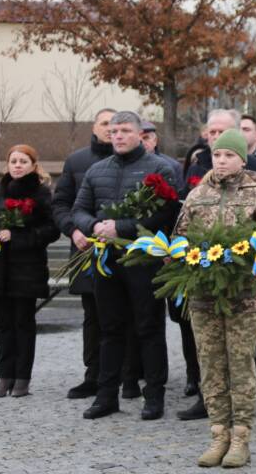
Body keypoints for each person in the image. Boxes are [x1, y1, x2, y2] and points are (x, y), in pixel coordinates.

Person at [174, 129, 256, 468]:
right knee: (211, 364)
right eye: (217, 155)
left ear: (242, 159)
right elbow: (179, 238)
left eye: (228, 155)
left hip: (244, 296)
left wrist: (243, 258)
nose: (221, 160)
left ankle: (241, 438)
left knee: (239, 363)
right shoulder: (197, 194)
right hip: (204, 295)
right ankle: (218, 434)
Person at [73, 111, 181, 421]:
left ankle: (154, 396)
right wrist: (94, 226)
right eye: (113, 130)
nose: (117, 135)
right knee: (110, 329)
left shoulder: (159, 169)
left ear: (139, 134)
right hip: (107, 262)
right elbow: (79, 209)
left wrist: (121, 227)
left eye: (124, 130)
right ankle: (107, 396)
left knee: (149, 328)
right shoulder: (97, 170)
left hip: (144, 261)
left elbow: (166, 214)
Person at [53, 108, 135, 400]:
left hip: (126, 253)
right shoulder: (77, 161)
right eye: (105, 124)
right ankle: (93, 375)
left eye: (117, 126)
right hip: (88, 251)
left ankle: (128, 376)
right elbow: (62, 204)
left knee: (127, 315)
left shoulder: (133, 160)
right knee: (93, 317)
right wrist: (74, 230)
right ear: (96, 127)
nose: (111, 130)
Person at [0, 145, 60, 399]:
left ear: (33, 165)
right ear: (8, 164)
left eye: (23, 161)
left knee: (23, 323)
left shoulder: (42, 193)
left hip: (27, 268)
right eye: (13, 161)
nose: (17, 165)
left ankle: (22, 379)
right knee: (4, 325)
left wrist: (18, 236)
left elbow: (52, 229)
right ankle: (4, 378)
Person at [142, 119, 204, 421]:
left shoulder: (168, 168)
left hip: (193, 256)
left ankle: (202, 378)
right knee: (181, 320)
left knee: (195, 323)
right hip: (170, 255)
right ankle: (193, 374)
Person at [186, 109, 256, 187]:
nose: (216, 136)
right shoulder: (197, 166)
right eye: (212, 132)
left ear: (236, 133)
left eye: (222, 132)